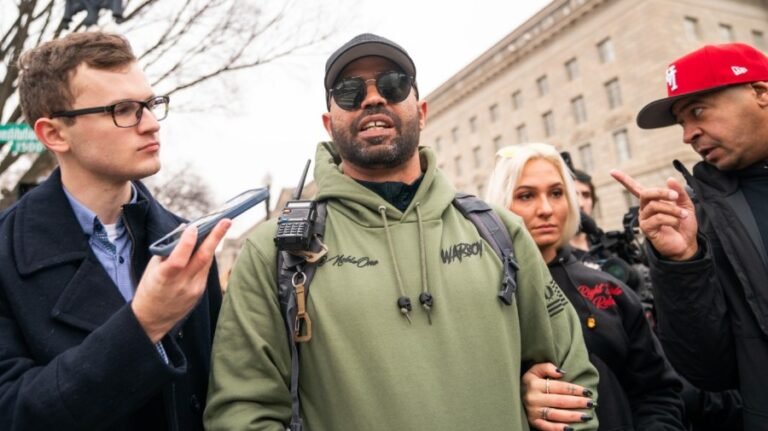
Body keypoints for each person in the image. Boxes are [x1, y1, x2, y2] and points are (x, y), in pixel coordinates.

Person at [204, 33, 599, 431]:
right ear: (329, 124)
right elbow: (241, 413)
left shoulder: (500, 232)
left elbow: (573, 380)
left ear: (422, 112)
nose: (373, 99)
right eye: (349, 91)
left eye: (393, 84)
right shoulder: (274, 252)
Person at [0, 32, 231, 431]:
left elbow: (219, 392)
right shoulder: (5, 252)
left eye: (151, 104)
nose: (151, 124)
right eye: (123, 110)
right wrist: (144, 324)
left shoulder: (186, 240)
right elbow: (14, 411)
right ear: (54, 134)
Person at [611, 42, 768, 429]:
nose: (688, 135)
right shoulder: (699, 222)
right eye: (681, 122)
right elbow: (708, 371)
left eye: (698, 111)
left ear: (760, 93)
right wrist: (682, 266)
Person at [485, 143, 685, 430]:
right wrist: (518, 397)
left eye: (556, 193)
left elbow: (659, 393)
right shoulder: (482, 295)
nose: (545, 209)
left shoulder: (609, 289)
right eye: (526, 195)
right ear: (501, 205)